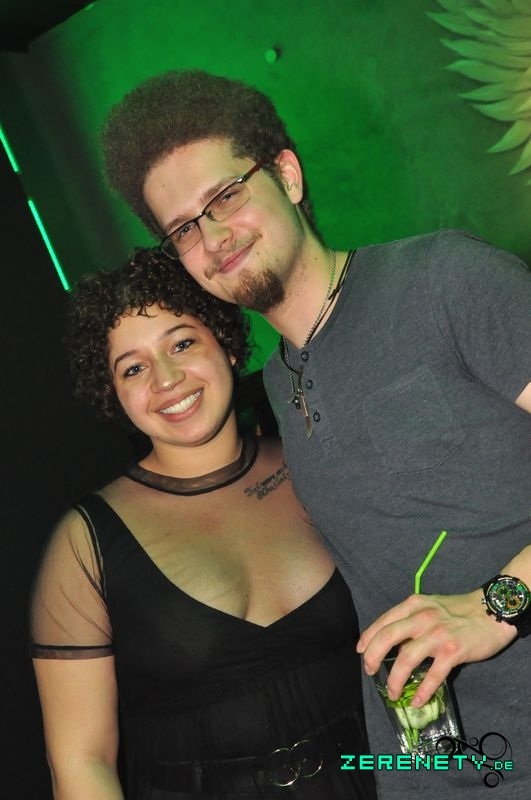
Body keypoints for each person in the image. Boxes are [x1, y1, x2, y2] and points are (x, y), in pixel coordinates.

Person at [101, 70, 531, 798]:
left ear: (288, 175)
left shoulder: (445, 280)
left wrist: (500, 605)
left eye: (225, 196)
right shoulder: (275, 383)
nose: (213, 238)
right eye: (184, 229)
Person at [30, 248, 377, 800]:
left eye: (182, 343)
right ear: (114, 394)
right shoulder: (85, 545)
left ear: (226, 343)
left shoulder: (314, 464)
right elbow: (81, 762)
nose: (166, 379)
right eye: (134, 367)